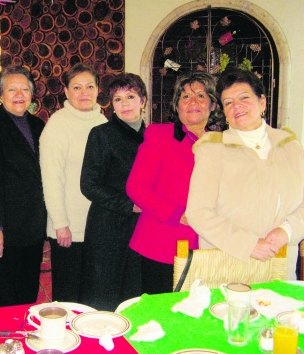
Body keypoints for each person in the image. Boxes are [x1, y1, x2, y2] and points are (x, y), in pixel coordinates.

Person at [186, 69, 304, 279]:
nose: (236, 106)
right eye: (228, 102)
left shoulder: (291, 147)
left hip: (280, 262)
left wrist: (286, 231)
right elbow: (198, 212)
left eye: (244, 98)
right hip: (227, 265)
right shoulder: (213, 149)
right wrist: (248, 245)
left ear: (262, 102)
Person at [126, 71, 222, 294]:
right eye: (185, 97)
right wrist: (180, 215)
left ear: (213, 104)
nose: (193, 102)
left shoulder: (222, 144)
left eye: (200, 95)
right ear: (177, 106)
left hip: (209, 243)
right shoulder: (159, 135)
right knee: (160, 316)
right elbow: (136, 187)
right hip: (163, 241)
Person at [0, 66, 47, 307]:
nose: (19, 94)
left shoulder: (39, 127)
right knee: (8, 293)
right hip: (6, 227)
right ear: (1, 94)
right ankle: (9, 339)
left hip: (34, 223)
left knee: (29, 289)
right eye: (12, 89)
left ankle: (27, 333)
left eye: (25, 89)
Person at [40, 63, 107, 302]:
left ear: (98, 90)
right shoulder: (58, 124)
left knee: (93, 293)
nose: (84, 92)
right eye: (77, 87)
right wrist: (60, 223)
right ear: (66, 92)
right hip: (68, 227)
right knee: (69, 296)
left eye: (90, 86)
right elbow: (51, 178)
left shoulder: (102, 122)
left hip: (98, 226)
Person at [79, 73, 146, 311]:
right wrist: (129, 204)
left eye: (130, 96)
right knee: (104, 295)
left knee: (135, 293)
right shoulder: (101, 134)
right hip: (107, 226)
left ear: (143, 101)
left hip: (143, 226)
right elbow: (89, 184)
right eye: (117, 99)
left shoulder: (154, 137)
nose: (125, 104)